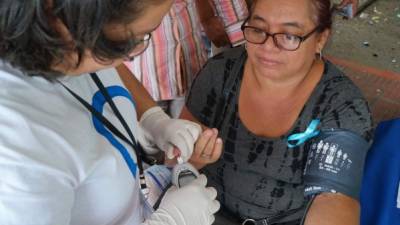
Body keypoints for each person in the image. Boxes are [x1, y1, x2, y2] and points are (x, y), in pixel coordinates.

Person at [0, 1, 219, 225]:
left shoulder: (72, 47)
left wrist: (153, 118)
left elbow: (112, 67)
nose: (131, 54)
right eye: (137, 38)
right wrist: (171, 221)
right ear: (62, 23)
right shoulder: (15, 149)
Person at [181, 0, 373, 224]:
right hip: (202, 214)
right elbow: (179, 159)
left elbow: (333, 201)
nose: (268, 46)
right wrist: (189, 161)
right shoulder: (221, 72)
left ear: (320, 39)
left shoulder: (341, 104)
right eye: (259, 29)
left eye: (289, 35)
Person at [124, 0, 248, 118]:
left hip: (191, 71)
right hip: (145, 77)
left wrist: (238, 33)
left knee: (192, 135)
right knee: (146, 135)